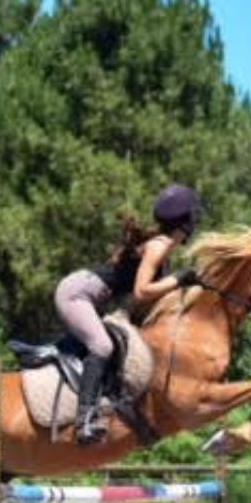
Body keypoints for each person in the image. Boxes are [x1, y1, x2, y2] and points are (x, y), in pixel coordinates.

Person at [54, 184, 202, 444]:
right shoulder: (160, 246)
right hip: (76, 294)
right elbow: (142, 291)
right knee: (101, 345)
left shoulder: (161, 247)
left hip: (87, 294)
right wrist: (179, 279)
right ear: (185, 222)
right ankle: (84, 420)